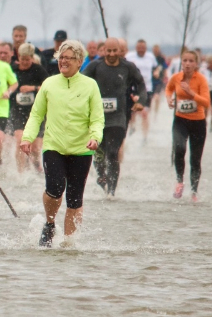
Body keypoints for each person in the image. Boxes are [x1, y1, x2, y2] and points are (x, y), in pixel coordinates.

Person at [21, 40, 104, 248]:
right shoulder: (49, 84)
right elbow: (36, 114)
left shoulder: (90, 85)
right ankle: (49, 223)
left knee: (75, 199)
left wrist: (95, 137)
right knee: (55, 188)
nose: (63, 61)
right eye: (61, 57)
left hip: (82, 149)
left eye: (68, 58)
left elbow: (97, 118)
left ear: (79, 61)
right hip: (54, 147)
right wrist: (27, 137)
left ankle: (68, 245)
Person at [82, 37, 148, 196]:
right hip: (97, 118)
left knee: (112, 152)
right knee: (98, 152)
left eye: (114, 51)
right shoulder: (95, 66)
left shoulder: (128, 67)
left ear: (120, 51)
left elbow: (141, 85)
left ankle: (111, 192)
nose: (111, 54)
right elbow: (80, 82)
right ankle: (102, 178)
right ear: (104, 50)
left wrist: (141, 101)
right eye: (108, 51)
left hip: (118, 118)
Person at [166, 49, 210, 201]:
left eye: (191, 61)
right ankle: (179, 182)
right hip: (180, 121)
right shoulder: (176, 77)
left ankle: (194, 192)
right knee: (179, 149)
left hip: (198, 122)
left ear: (196, 64)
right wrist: (169, 98)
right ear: (181, 62)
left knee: (195, 159)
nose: (187, 64)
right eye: (185, 61)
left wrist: (191, 93)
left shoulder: (201, 80)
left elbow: (206, 102)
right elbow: (169, 88)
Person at [9, 43, 48, 174]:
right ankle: (21, 173)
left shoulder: (38, 69)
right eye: (22, 59)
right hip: (17, 110)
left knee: (36, 148)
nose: (25, 62)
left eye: (27, 59)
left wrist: (32, 88)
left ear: (32, 58)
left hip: (36, 112)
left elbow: (47, 87)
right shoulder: (12, 69)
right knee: (21, 140)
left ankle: (36, 167)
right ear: (18, 57)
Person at [125, 39, 157, 142]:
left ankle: (144, 136)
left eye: (143, 48)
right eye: (139, 47)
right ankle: (132, 128)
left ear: (146, 48)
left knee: (144, 113)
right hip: (133, 89)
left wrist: (157, 72)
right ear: (136, 48)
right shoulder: (129, 56)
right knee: (132, 112)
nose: (141, 50)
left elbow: (157, 68)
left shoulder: (151, 57)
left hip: (147, 89)